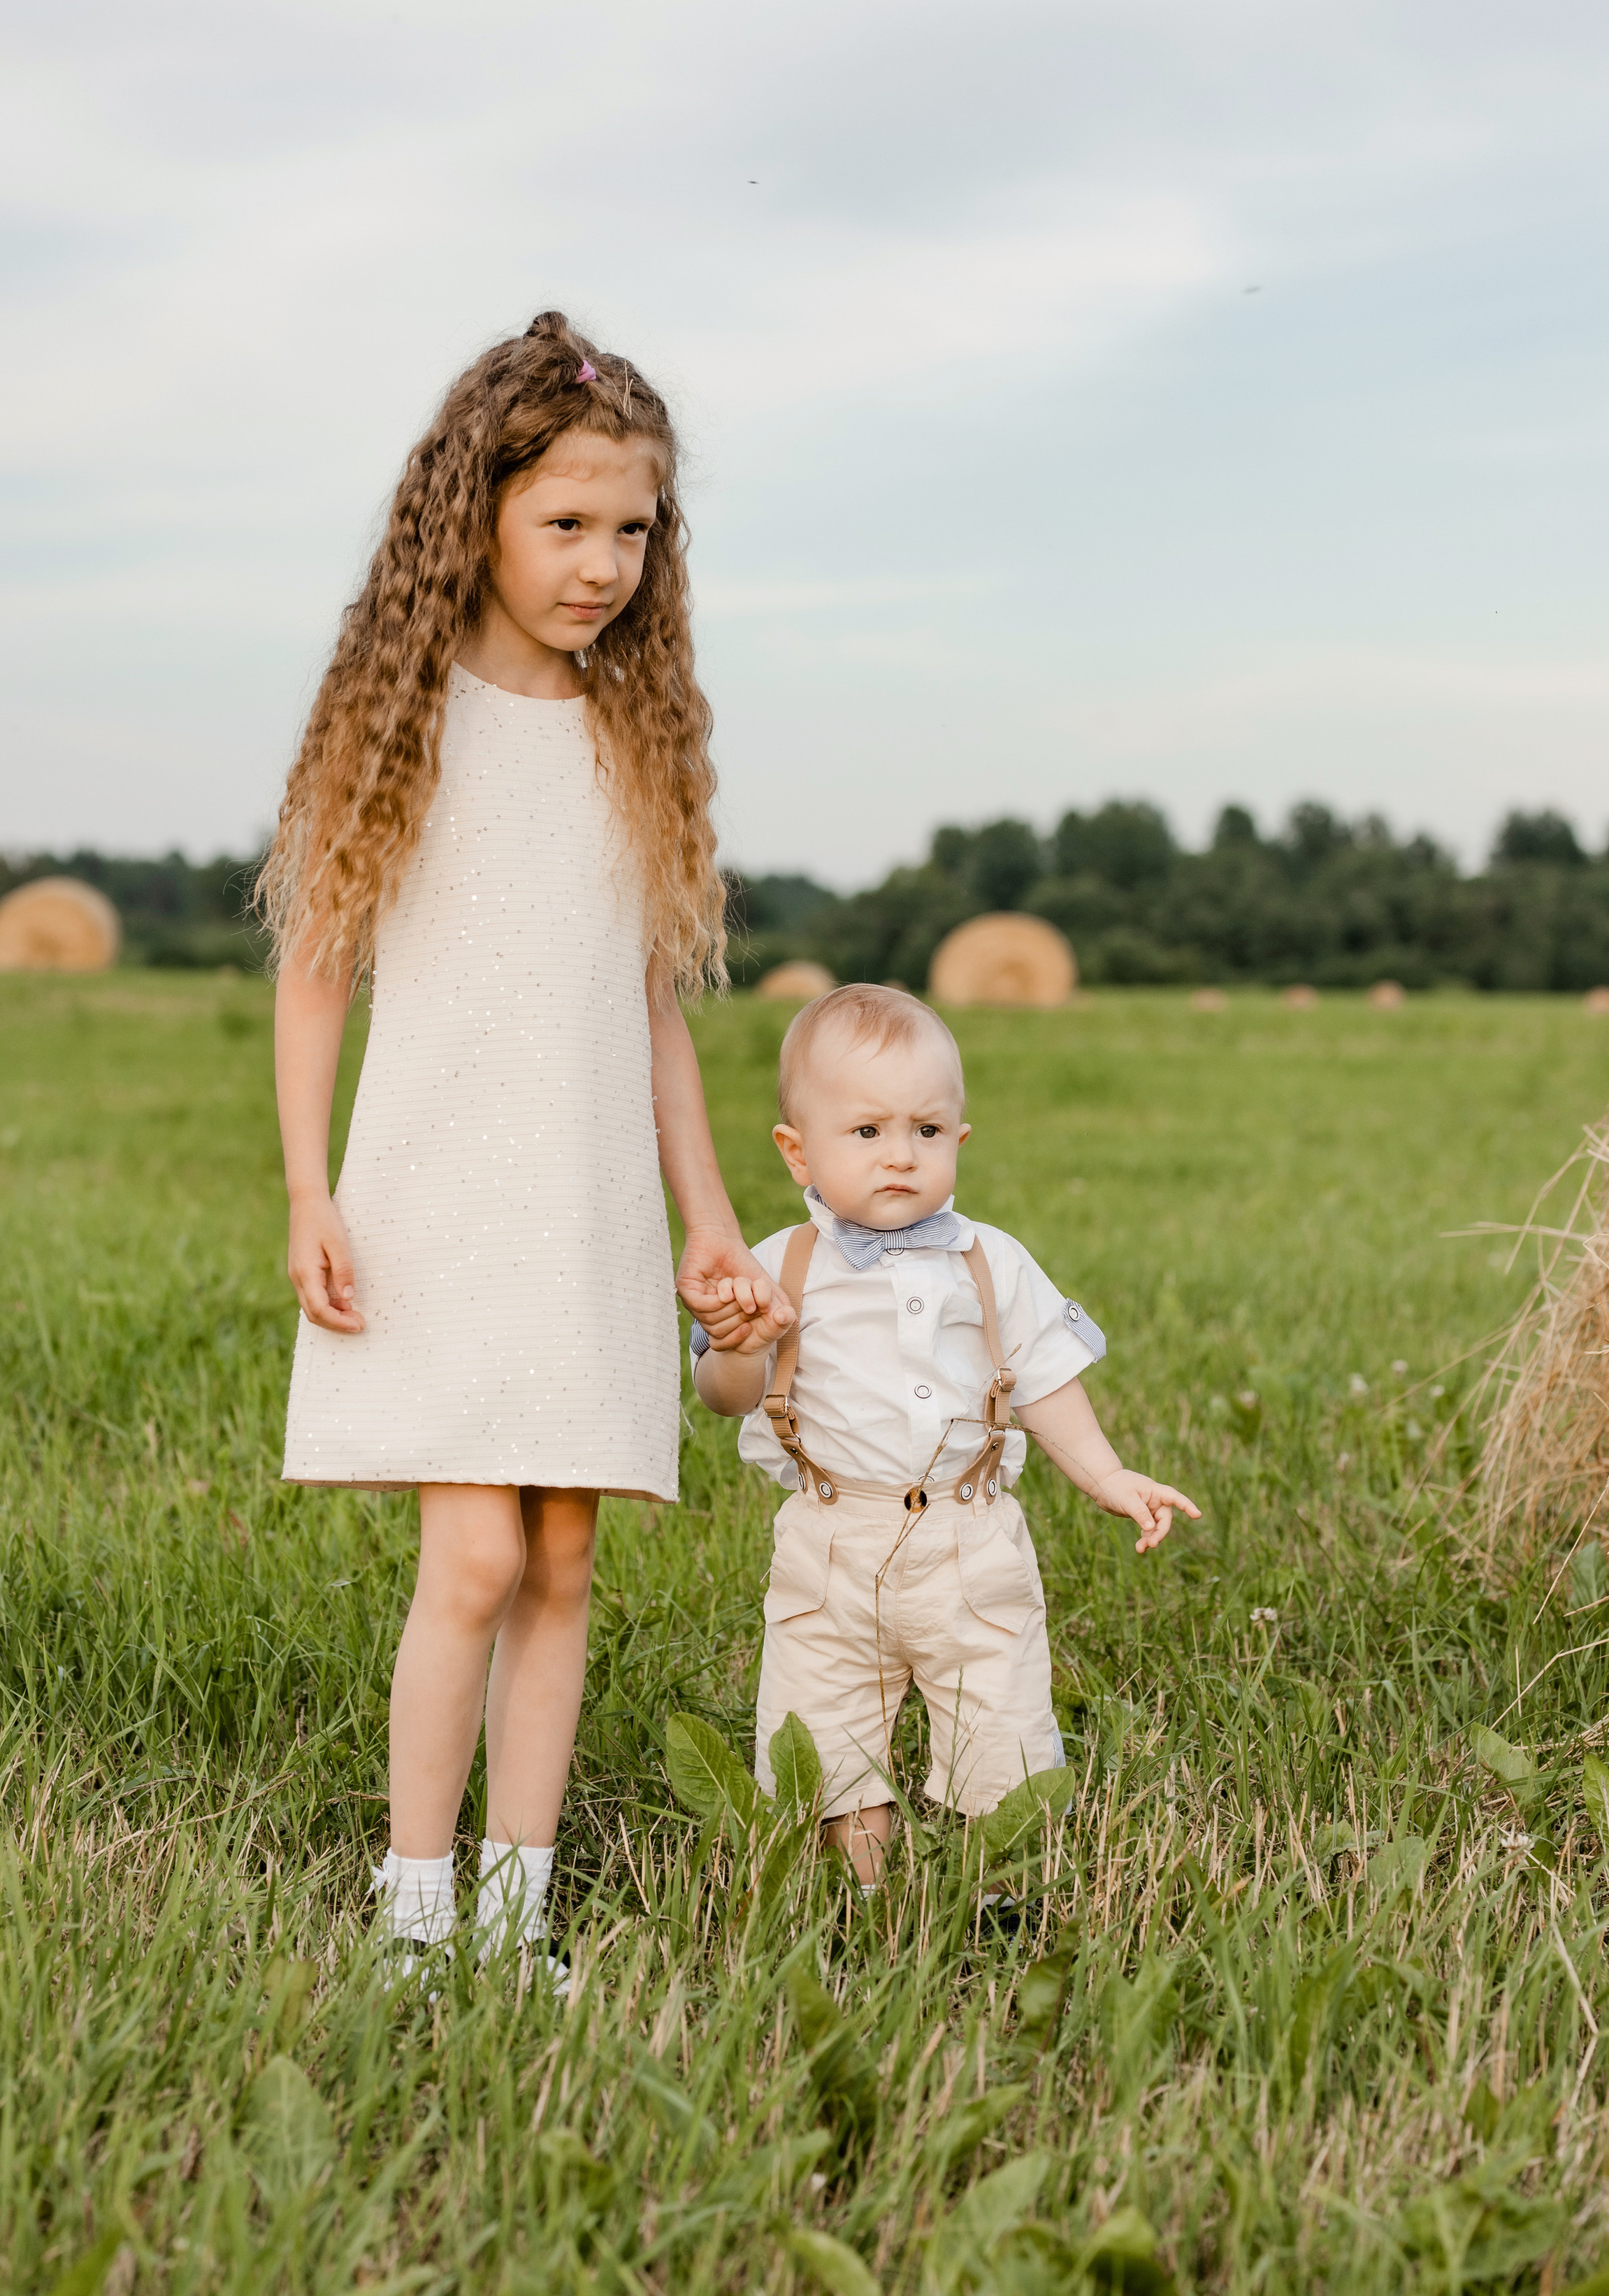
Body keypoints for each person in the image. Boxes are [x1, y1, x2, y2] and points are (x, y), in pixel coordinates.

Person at [259, 311, 786, 1971]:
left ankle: (514, 1918)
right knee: (476, 1550)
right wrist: (308, 1189)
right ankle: (415, 1918)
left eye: (632, 529)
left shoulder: (632, 735)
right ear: (472, 513)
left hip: (585, 1214)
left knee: (562, 1554)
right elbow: (315, 971)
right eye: (566, 522)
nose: (602, 564)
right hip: (433, 1199)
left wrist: (708, 1219)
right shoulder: (400, 718)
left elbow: (651, 1018)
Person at [692, 983, 1199, 1884]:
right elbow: (726, 1398)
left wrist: (1107, 1475)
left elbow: (1044, 1379)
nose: (900, 1155)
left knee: (1001, 1725)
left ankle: (998, 1887)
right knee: (825, 1729)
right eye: (867, 1131)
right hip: (831, 1542)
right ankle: (865, 1894)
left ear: (959, 1139)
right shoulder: (778, 1266)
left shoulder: (991, 1260)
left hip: (970, 1541)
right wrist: (740, 1344)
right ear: (797, 1150)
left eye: (926, 1131)